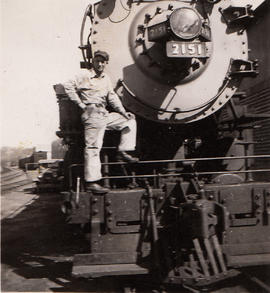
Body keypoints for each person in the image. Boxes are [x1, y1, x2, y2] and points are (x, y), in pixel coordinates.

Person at [64, 50, 138, 193]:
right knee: (93, 147)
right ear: (93, 62)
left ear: (106, 63)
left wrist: (123, 112)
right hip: (92, 114)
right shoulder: (84, 75)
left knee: (130, 121)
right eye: (97, 61)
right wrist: (81, 105)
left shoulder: (106, 78)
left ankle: (123, 151)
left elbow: (112, 97)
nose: (100, 64)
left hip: (104, 113)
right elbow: (68, 85)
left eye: (103, 62)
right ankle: (92, 182)